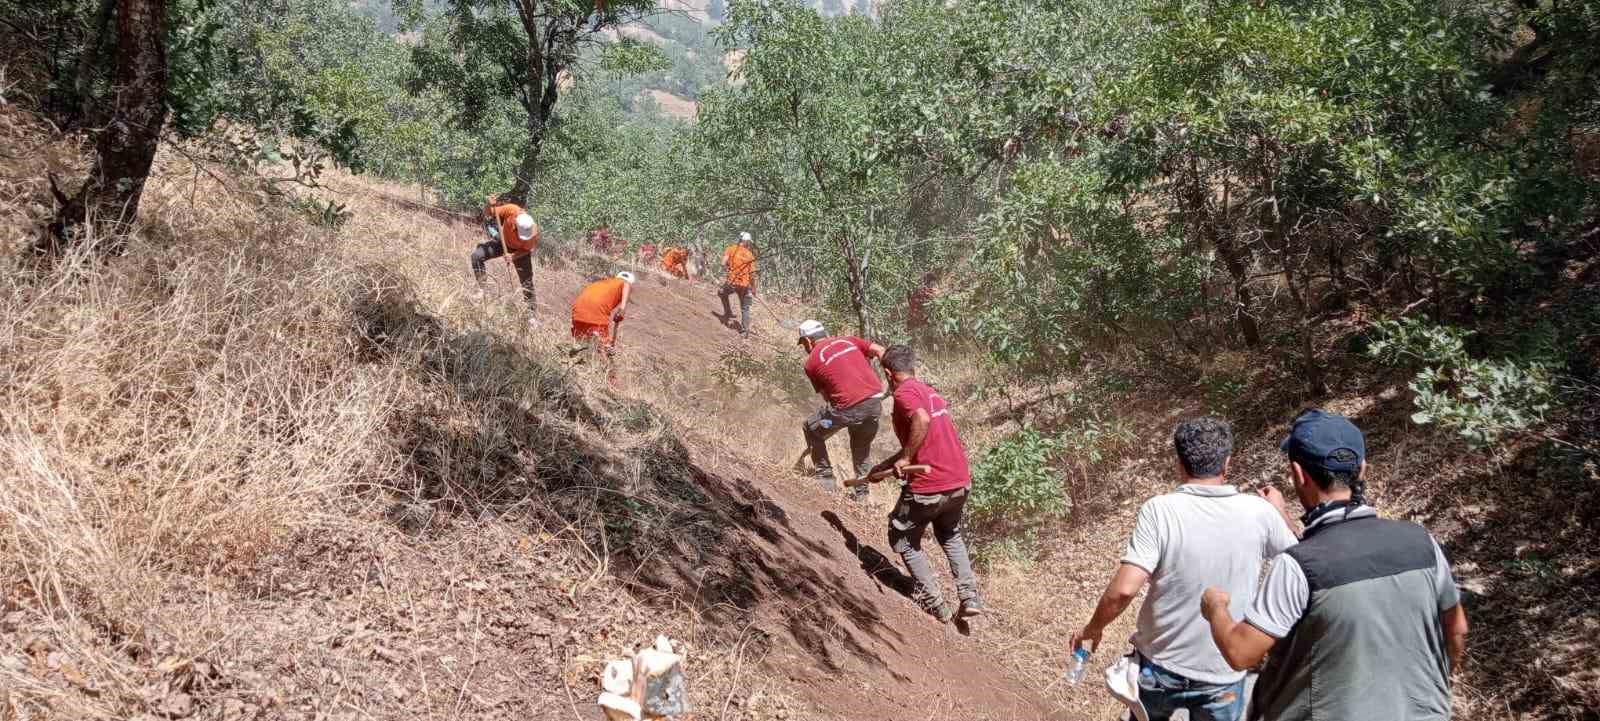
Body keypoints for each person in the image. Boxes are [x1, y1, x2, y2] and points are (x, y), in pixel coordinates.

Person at [1202, 409, 1470, 721]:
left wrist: (1215, 608)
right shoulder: (1422, 543)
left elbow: (1240, 652)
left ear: (1298, 474)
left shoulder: (1298, 566)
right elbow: (1457, 631)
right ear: (1363, 470)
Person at [1069, 417, 1298, 721]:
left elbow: (1125, 589)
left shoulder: (1160, 510)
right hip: (1225, 670)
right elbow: (1303, 560)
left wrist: (1093, 627)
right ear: (1227, 462)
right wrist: (1281, 513)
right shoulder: (1260, 513)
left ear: (1179, 462)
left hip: (1160, 666)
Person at [865, 344, 982, 624]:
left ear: (889, 373)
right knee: (950, 534)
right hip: (958, 481)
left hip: (930, 484)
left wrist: (905, 458)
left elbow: (921, 420)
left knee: (901, 538)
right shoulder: (930, 393)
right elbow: (923, 438)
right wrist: (885, 466)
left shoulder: (904, 393)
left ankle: (936, 605)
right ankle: (970, 598)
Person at [797, 319, 886, 502]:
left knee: (811, 429)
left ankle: (825, 479)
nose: (804, 347)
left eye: (803, 344)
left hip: (847, 410)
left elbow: (827, 398)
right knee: (861, 449)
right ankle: (862, 496)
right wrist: (891, 380)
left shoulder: (811, 362)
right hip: (874, 404)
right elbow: (880, 350)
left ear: (807, 341)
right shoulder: (849, 340)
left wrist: (831, 420)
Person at [472, 195, 540, 322]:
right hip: (503, 242)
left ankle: (531, 315)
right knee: (476, 256)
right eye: (520, 235)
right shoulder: (511, 210)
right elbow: (489, 212)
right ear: (515, 225)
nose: (522, 237)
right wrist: (489, 204)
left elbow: (526, 250)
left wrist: (513, 256)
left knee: (527, 283)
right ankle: (482, 290)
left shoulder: (532, 232)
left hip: (520, 252)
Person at [571, 272, 635, 381]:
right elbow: (627, 285)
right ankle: (611, 383)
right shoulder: (624, 283)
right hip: (596, 312)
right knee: (604, 351)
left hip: (578, 311)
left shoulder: (603, 283)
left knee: (582, 346)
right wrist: (623, 309)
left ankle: (578, 375)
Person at [719, 232, 757, 337]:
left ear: (739, 240)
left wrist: (729, 270)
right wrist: (753, 288)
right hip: (744, 285)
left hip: (732, 282)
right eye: (749, 242)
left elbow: (723, 263)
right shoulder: (750, 255)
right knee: (745, 308)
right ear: (747, 242)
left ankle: (728, 312)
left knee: (721, 293)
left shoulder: (731, 249)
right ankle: (745, 331)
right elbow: (752, 275)